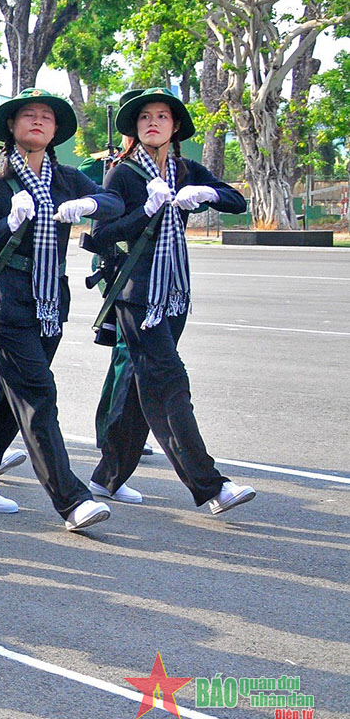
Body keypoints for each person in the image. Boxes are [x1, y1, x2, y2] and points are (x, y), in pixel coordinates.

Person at [0, 88, 122, 531]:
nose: (39, 121)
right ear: (12, 126)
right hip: (7, 298)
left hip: (50, 299)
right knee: (38, 393)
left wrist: (91, 204)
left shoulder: (67, 179)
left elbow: (115, 201)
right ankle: (71, 499)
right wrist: (7, 224)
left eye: (46, 115)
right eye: (29, 115)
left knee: (14, 398)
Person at [88, 87, 256, 515]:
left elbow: (237, 201)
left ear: (175, 126)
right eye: (145, 117)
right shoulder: (122, 174)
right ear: (136, 126)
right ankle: (211, 485)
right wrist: (145, 211)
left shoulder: (185, 169)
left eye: (162, 116)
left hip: (174, 290)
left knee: (139, 386)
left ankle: (107, 477)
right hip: (136, 294)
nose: (153, 123)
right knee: (168, 383)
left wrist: (207, 194)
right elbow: (101, 234)